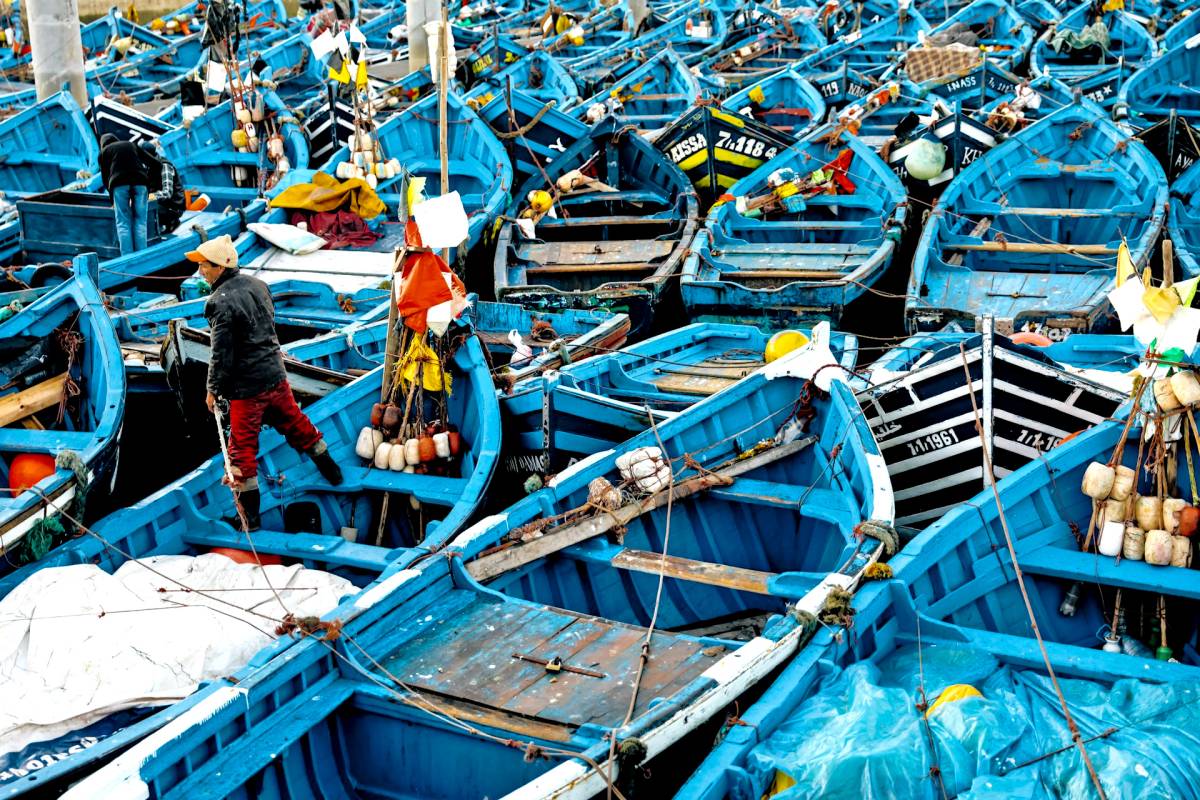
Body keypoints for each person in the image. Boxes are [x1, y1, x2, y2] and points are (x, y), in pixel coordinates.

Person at [188, 235, 343, 531]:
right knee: (296, 423)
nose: (201, 272)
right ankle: (333, 472)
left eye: (204, 266)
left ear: (219, 266)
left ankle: (250, 519)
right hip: (275, 376)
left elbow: (221, 354)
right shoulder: (259, 285)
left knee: (241, 449)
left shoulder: (217, 303)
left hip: (248, 390)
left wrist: (212, 390)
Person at [99, 133, 149, 255]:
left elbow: (106, 179)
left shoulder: (104, 152)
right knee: (141, 220)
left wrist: (112, 201)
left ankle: (127, 256)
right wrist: (151, 186)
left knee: (123, 223)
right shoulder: (131, 145)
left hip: (119, 184)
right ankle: (143, 254)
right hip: (140, 182)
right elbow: (154, 163)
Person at [139, 140, 186, 232]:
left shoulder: (164, 166)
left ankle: (172, 221)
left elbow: (167, 193)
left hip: (173, 207)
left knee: (143, 206)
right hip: (160, 203)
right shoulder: (148, 166)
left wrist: (148, 197)